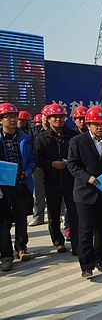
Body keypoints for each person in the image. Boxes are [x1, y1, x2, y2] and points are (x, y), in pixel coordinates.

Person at [67, 107, 102, 278]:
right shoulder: (77, 141)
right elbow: (73, 165)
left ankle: (101, 260)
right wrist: (87, 178)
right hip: (85, 193)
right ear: (88, 124)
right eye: (95, 124)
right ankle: (87, 265)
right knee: (85, 230)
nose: (99, 127)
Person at [35, 104, 79, 254]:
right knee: (53, 214)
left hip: (70, 181)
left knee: (74, 212)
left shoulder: (73, 136)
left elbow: (79, 157)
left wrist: (69, 164)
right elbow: (37, 160)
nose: (58, 119)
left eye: (61, 117)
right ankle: (58, 241)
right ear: (49, 119)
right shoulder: (42, 138)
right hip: (51, 181)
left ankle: (75, 241)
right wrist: (51, 164)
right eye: (55, 117)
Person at [0, 103, 36, 264]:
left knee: (21, 218)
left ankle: (21, 248)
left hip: (21, 183)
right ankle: (6, 253)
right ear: (1, 120)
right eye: (8, 116)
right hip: (3, 186)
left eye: (14, 116)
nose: (13, 119)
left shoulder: (25, 138)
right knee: (4, 220)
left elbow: (33, 160)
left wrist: (27, 172)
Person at [28, 106, 50, 227]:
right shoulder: (35, 131)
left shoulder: (58, 131)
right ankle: (38, 216)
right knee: (38, 192)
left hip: (53, 165)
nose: (46, 118)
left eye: (48, 116)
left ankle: (63, 214)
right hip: (38, 166)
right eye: (44, 115)